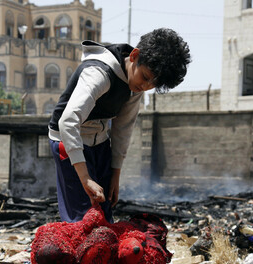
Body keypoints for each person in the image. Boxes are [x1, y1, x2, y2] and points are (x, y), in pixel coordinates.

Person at [48, 28, 191, 223]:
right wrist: (85, 178)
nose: (145, 86)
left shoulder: (135, 85)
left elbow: (123, 128)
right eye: (145, 77)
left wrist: (115, 174)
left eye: (153, 84)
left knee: (105, 214)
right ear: (134, 56)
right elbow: (68, 122)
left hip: (100, 142)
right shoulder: (99, 73)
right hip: (68, 140)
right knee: (84, 219)